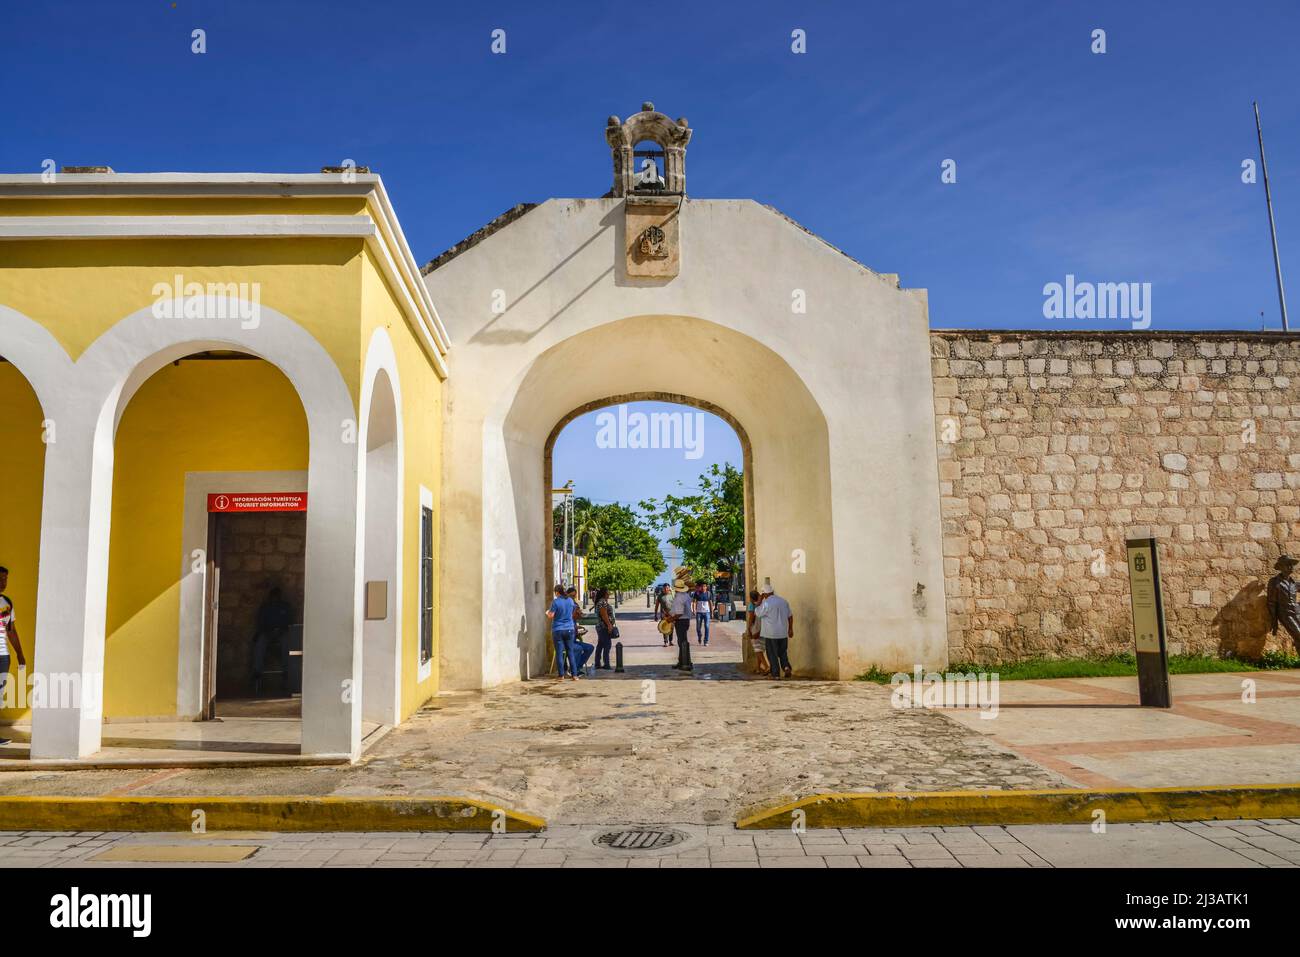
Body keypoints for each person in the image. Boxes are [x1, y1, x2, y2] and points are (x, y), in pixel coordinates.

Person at [0, 567, 28, 746]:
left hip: (3, 656)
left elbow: (11, 631)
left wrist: (20, 654)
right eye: (0, 578)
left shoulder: (6, 603)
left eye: (5, 579)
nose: (4, 582)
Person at [251, 586, 294, 693]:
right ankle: (257, 672)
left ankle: (286, 672)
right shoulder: (265, 608)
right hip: (267, 633)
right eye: (273, 597)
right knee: (260, 643)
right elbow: (261, 623)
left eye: (277, 597)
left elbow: (290, 622)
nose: (275, 599)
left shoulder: (285, 607)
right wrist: (268, 631)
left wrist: (280, 630)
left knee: (286, 643)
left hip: (281, 633)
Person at [756, 579, 793, 679]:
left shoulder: (766, 603)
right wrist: (790, 629)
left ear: (764, 594)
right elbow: (790, 616)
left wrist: (759, 602)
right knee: (782, 653)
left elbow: (758, 613)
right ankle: (786, 667)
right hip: (783, 633)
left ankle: (775, 674)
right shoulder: (783, 601)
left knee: (772, 654)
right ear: (772, 591)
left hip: (771, 633)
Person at [546, 584, 581, 680]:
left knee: (559, 652)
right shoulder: (570, 600)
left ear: (557, 592)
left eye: (555, 593)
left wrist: (547, 613)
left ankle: (561, 675)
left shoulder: (556, 602)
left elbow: (551, 615)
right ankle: (574, 675)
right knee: (570, 652)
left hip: (558, 629)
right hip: (570, 628)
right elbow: (573, 611)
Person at [1268, 554, 1300, 654]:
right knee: (1299, 634)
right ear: (1281, 567)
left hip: (1297, 612)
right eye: (1287, 564)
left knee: (1298, 638)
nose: (1291, 567)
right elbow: (1271, 602)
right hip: (1286, 614)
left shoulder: (1295, 583)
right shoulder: (1274, 582)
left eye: (1291, 564)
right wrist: (1274, 621)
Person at [668, 568, 694, 673]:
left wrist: (670, 619)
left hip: (681, 621)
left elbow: (679, 613)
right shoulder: (686, 595)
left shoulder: (679, 597)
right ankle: (683, 661)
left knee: (682, 641)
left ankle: (686, 662)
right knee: (682, 641)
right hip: (685, 620)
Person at [568, 586, 593, 673]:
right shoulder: (568, 608)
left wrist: (578, 630)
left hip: (574, 639)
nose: (573, 598)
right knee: (578, 649)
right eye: (571, 596)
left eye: (574, 596)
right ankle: (573, 670)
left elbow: (577, 617)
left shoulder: (574, 606)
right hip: (568, 641)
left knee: (589, 648)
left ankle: (577, 667)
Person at [745, 589, 769, 676]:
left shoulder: (752, 605)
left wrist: (749, 629)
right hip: (763, 628)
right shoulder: (763, 604)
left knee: (757, 649)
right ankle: (758, 668)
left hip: (755, 628)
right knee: (760, 648)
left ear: (751, 598)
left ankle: (766, 666)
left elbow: (751, 618)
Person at [594, 587, 617, 669]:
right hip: (603, 627)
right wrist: (609, 625)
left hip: (601, 626)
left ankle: (597, 663)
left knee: (600, 645)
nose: (609, 595)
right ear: (604, 594)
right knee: (607, 645)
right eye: (607, 593)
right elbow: (604, 615)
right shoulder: (602, 602)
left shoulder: (602, 602)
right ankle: (606, 664)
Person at [693, 581, 711, 646]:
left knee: (707, 626)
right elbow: (694, 602)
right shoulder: (697, 593)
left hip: (707, 612)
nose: (703, 588)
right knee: (698, 627)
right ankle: (699, 636)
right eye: (702, 586)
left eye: (704, 586)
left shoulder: (708, 593)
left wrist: (711, 613)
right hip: (699, 613)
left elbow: (710, 603)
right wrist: (694, 610)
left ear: (706, 587)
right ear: (700, 587)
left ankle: (706, 641)